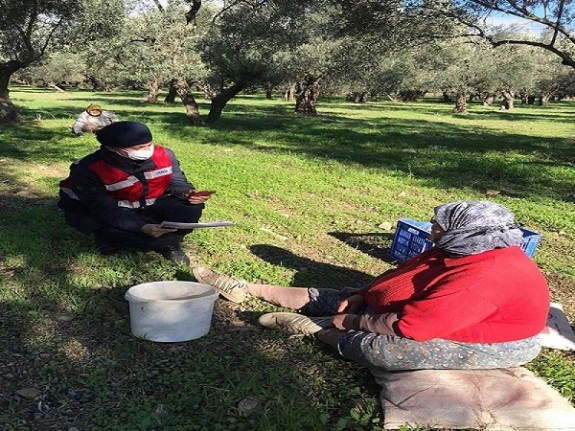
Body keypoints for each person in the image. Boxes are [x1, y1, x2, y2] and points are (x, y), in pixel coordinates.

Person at [193, 201, 550, 371]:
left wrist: (351, 323)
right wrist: (363, 296)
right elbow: (401, 277)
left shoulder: (482, 278)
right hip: (430, 312)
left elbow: (414, 327)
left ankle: (316, 329)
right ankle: (246, 288)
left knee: (381, 349)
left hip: (494, 343)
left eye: (437, 226)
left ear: (462, 232)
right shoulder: (460, 248)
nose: (432, 231)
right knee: (340, 296)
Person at [58, 121, 212, 264]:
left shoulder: (164, 155)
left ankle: (170, 242)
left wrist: (186, 193)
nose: (146, 151)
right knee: (151, 241)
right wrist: (141, 226)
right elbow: (103, 208)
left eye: (148, 145)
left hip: (144, 204)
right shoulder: (87, 169)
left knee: (190, 208)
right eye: (138, 148)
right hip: (104, 212)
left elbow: (175, 181)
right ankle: (107, 239)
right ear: (112, 148)